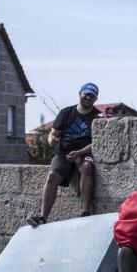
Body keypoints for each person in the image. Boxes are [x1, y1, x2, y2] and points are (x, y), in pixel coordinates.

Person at [26, 82, 102, 227]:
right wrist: (51, 140)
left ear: (95, 99)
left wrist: (79, 153)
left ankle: (85, 212)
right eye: (86, 94)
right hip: (63, 153)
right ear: (80, 93)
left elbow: (98, 142)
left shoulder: (97, 117)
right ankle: (43, 217)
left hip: (84, 152)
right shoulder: (66, 113)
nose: (88, 97)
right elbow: (53, 134)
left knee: (87, 167)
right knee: (52, 176)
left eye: (92, 96)